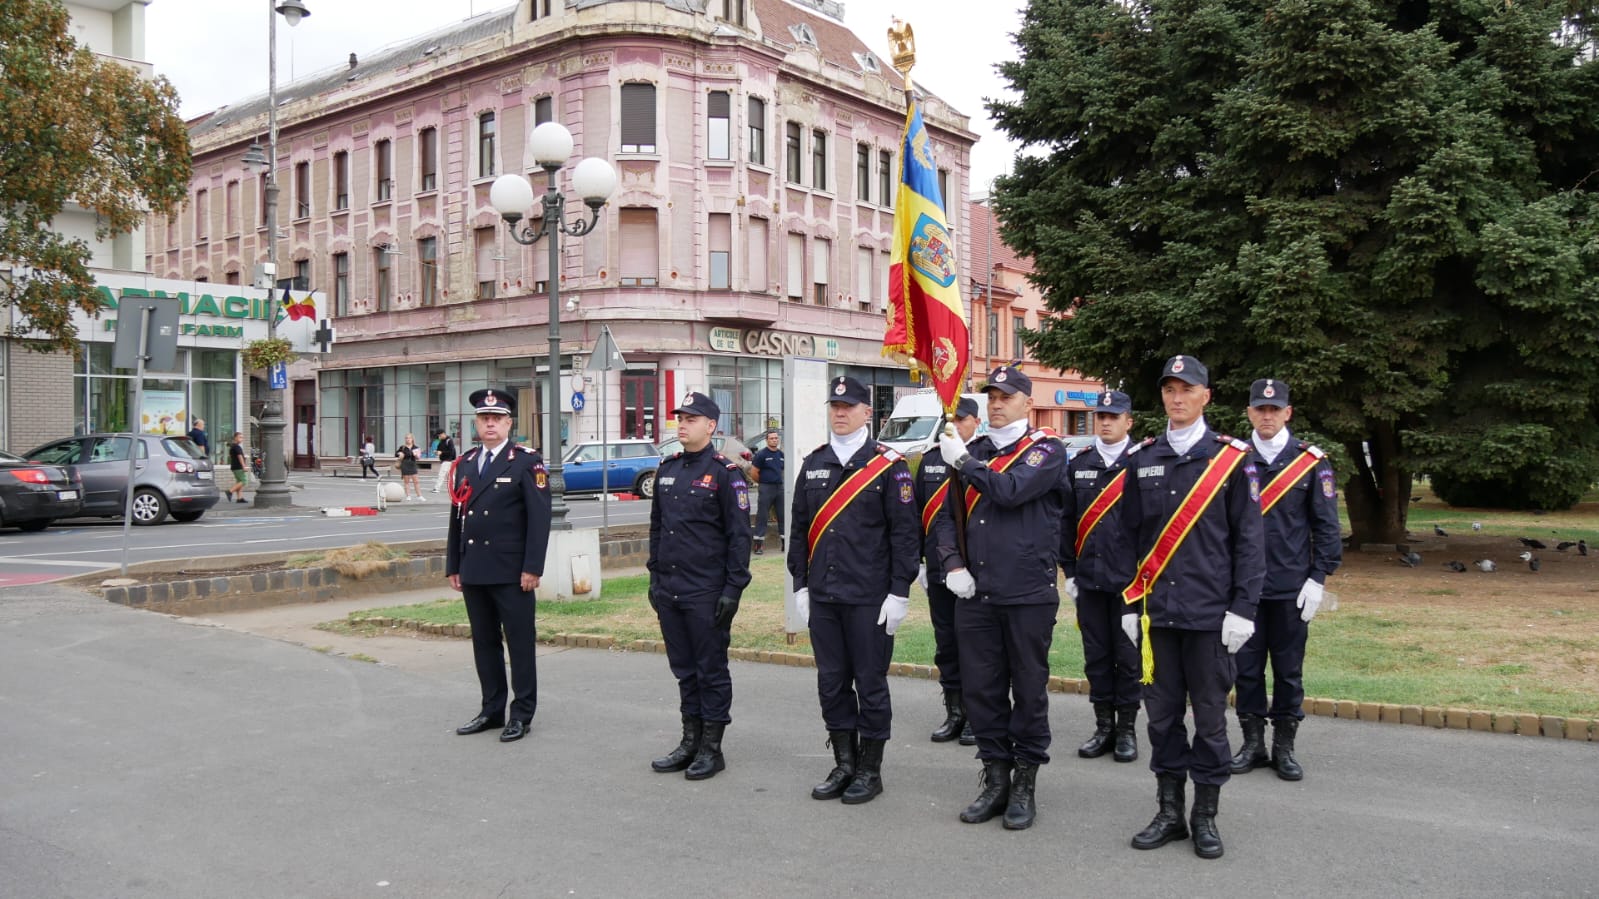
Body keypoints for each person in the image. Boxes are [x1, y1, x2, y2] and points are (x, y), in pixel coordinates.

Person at [1121, 355, 1263, 860]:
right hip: (1156, 615)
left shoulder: (1231, 458)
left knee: (1207, 720)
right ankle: (1168, 811)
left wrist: (1244, 608)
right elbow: (1130, 536)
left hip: (1209, 616)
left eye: (1187, 389)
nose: (1176, 398)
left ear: (1206, 395)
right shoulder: (1142, 458)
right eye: (1169, 389)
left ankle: (1205, 816)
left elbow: (1250, 540)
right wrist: (1128, 602)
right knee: (1160, 720)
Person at [932, 364, 1068, 831]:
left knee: (1027, 690)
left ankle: (1025, 785)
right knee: (982, 690)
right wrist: (952, 564)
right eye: (991, 395)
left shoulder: (1046, 451)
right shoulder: (975, 450)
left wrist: (964, 463)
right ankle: (994, 779)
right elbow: (947, 518)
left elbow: (1010, 492)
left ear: (1027, 403)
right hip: (978, 595)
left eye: (1006, 396)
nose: (995, 402)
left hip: (1027, 593)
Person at [788, 376, 919, 805]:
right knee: (831, 684)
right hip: (824, 595)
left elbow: (904, 535)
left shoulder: (889, 465)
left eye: (849, 406)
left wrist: (900, 592)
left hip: (869, 598)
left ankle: (870, 770)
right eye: (835, 405)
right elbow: (800, 529)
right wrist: (800, 584)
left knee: (871, 684)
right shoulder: (814, 463)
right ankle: (844, 763)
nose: (840, 412)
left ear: (868, 413)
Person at [1229, 379, 1342, 782]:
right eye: (1260, 409)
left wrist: (1318, 578)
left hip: (1292, 588)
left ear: (1288, 413)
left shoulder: (1310, 462)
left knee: (1289, 671)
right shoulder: (1234, 459)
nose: (1267, 416)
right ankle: (1253, 743)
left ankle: (1284, 747)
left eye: (1274, 410)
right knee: (1245, 670)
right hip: (1244, 589)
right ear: (1249, 413)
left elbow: (1326, 526)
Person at [647, 392, 754, 780]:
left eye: (691, 419)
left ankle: (711, 748)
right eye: (680, 417)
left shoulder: (726, 473)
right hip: (671, 588)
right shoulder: (669, 468)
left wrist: (733, 589)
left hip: (707, 591)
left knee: (710, 669)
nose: (682, 424)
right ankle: (689, 741)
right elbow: (658, 528)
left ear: (710, 426)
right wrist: (655, 576)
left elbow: (739, 537)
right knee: (684, 670)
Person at [447, 388, 553, 744]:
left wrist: (533, 567)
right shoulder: (464, 463)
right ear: (476, 423)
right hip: (475, 567)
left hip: (512, 571)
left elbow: (539, 520)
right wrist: (454, 564)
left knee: (520, 644)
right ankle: (492, 709)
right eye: (483, 418)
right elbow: (456, 517)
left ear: (509, 422)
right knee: (484, 642)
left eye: (496, 418)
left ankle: (521, 713)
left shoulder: (525, 460)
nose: (489, 423)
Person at [1059, 390, 1145, 763]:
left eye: (1114, 416)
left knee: (1129, 658)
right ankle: (1103, 727)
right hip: (1090, 581)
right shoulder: (1079, 464)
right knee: (1096, 657)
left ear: (1129, 421)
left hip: (1130, 584)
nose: (1106, 422)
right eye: (1101, 416)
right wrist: (1071, 572)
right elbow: (1066, 522)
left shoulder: (1144, 462)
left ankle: (1126, 729)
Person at [914, 396, 982, 746]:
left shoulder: (983, 459)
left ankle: (976, 715)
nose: (953, 424)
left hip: (973, 571)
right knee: (946, 644)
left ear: (976, 421)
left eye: (961, 418)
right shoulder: (929, 461)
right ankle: (954, 712)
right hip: (938, 567)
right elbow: (915, 514)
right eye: (948, 418)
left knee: (975, 646)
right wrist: (920, 563)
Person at [749, 429, 785, 555]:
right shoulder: (761, 455)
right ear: (767, 440)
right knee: (762, 516)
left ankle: (785, 544)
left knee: (783, 515)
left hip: (779, 488)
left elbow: (782, 471)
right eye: (772, 438)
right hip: (766, 488)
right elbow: (753, 472)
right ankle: (758, 545)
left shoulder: (781, 455)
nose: (774, 440)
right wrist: (763, 483)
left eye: (776, 438)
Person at [396, 433, 424, 502]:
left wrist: (416, 455)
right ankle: (408, 496)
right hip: (405, 464)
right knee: (406, 481)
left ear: (412, 439)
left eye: (409, 438)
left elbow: (418, 458)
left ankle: (419, 496)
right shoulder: (402, 447)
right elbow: (396, 454)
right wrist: (399, 454)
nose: (408, 439)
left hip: (413, 464)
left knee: (416, 481)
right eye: (406, 438)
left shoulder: (416, 447)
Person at [433, 428, 457, 494]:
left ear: (443, 434)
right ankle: (457, 486)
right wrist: (436, 452)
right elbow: (439, 449)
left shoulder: (449, 440)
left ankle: (437, 488)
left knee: (441, 474)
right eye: (438, 436)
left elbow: (451, 451)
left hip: (448, 460)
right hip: (444, 460)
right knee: (451, 475)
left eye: (440, 435)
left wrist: (442, 452)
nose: (439, 437)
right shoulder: (441, 441)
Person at [226, 431, 248, 503]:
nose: (241, 439)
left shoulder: (233, 447)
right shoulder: (236, 447)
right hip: (238, 467)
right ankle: (230, 491)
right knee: (244, 481)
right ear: (235, 438)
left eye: (242, 438)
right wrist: (244, 466)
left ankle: (239, 498)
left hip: (235, 467)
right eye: (240, 437)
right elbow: (239, 457)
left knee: (239, 481)